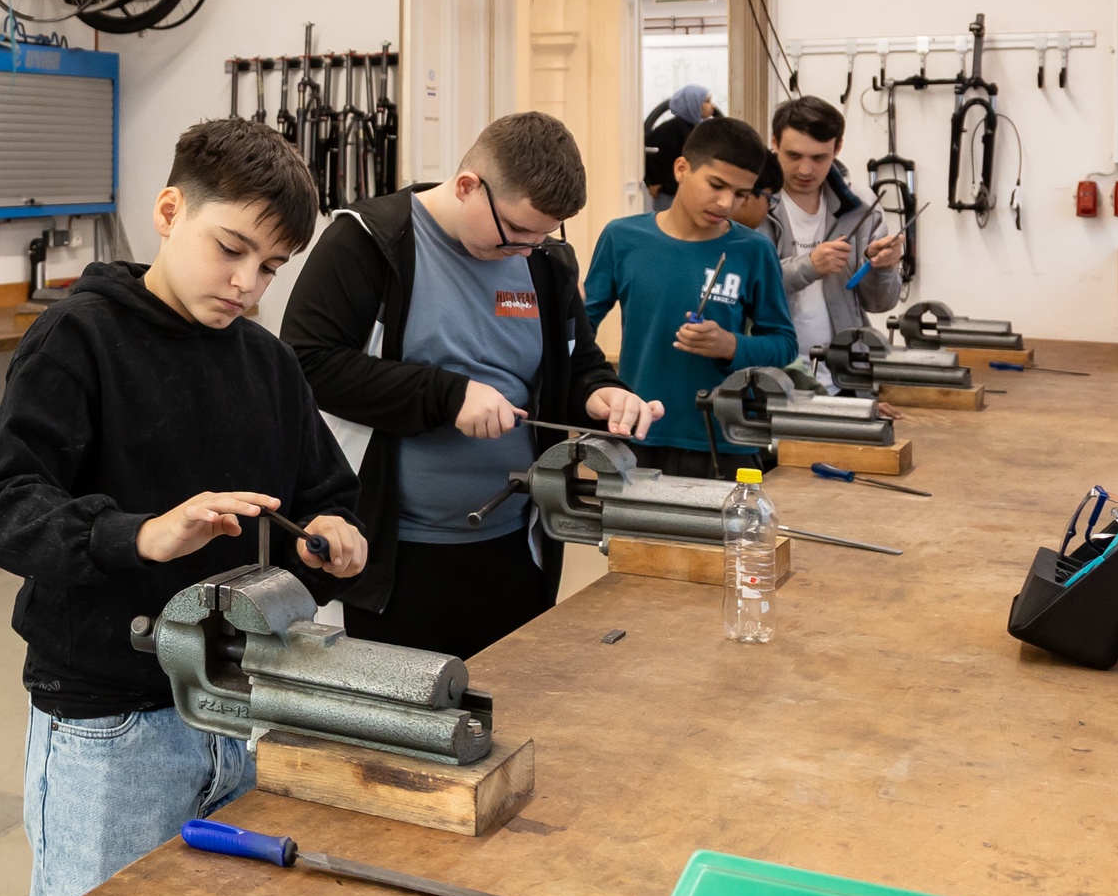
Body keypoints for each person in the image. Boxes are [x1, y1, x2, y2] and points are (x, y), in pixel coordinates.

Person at [0, 118, 368, 896]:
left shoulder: (267, 362)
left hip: (246, 708)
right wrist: (139, 534)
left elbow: (326, 486)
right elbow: (2, 503)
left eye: (271, 267)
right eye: (231, 248)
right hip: (112, 725)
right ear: (169, 209)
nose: (248, 284)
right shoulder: (78, 339)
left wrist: (336, 530)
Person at [281, 112, 663, 661]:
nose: (530, 249)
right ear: (467, 187)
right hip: (393, 559)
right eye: (518, 232)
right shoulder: (370, 241)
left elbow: (579, 365)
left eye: (545, 234)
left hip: (514, 548)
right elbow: (306, 362)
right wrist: (448, 395)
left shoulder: (544, 261)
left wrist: (601, 394)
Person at [583, 115, 796, 478]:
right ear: (682, 168)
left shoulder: (754, 250)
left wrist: (731, 345)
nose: (727, 202)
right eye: (716, 184)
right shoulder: (622, 238)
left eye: (742, 193)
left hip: (725, 442)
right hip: (639, 435)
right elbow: (579, 330)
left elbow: (784, 343)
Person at [759, 95, 905, 371]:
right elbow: (750, 287)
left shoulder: (860, 205)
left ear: (837, 147)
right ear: (774, 143)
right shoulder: (752, 204)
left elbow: (879, 303)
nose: (805, 169)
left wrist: (883, 268)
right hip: (774, 376)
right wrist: (810, 266)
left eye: (818, 157)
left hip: (844, 375)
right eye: (793, 155)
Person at [641, 84, 716, 210]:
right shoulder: (670, 129)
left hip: (694, 193)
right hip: (670, 195)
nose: (712, 106)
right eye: (707, 101)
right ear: (693, 103)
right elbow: (652, 152)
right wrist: (654, 181)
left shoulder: (702, 128)